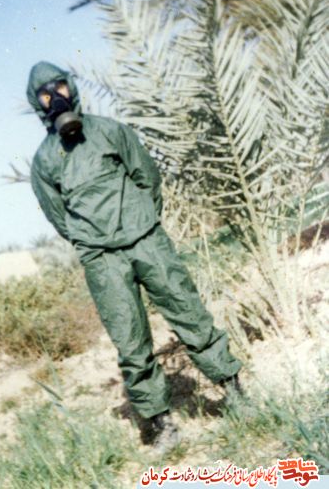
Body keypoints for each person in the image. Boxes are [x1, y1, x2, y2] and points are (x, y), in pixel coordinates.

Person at [26, 61, 243, 453]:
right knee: (130, 341)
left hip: (146, 240)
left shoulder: (109, 130)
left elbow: (147, 177)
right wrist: (94, 242)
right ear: (36, 103)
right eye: (45, 94)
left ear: (71, 87)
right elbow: (59, 217)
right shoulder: (44, 161)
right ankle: (162, 425)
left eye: (59, 87)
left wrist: (142, 222)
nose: (55, 97)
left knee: (188, 312)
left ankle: (235, 391)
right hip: (102, 260)